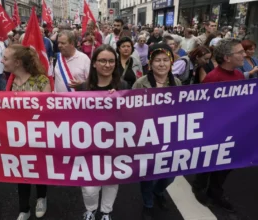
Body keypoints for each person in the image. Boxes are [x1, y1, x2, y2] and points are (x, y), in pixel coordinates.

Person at [193, 38, 246, 213]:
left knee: (226, 164)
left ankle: (216, 191)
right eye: (240, 52)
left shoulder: (239, 75)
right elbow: (204, 108)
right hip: (215, 130)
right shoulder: (213, 78)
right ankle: (199, 188)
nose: (244, 54)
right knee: (209, 162)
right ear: (227, 58)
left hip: (234, 128)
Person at [77, 44, 128, 220]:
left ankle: (106, 211)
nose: (107, 65)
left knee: (112, 181)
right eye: (103, 61)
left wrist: (120, 100)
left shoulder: (123, 86)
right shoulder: (83, 88)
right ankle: (90, 209)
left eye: (111, 61)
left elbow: (133, 118)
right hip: (88, 146)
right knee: (89, 186)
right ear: (94, 63)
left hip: (114, 144)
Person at [132, 44, 181, 219]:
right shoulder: (141, 83)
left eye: (165, 60)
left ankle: (159, 192)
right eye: (157, 60)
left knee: (170, 174)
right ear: (150, 64)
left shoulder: (177, 83)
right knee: (147, 174)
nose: (161, 64)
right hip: (147, 137)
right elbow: (131, 108)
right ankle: (148, 204)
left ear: (171, 62)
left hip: (170, 136)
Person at [2, 44, 50, 220]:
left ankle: (41, 197)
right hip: (17, 137)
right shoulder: (8, 81)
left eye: (5, 58)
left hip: (38, 136)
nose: (2, 61)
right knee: (21, 172)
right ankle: (24, 208)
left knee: (40, 169)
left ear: (18, 62)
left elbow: (47, 111)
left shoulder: (41, 81)